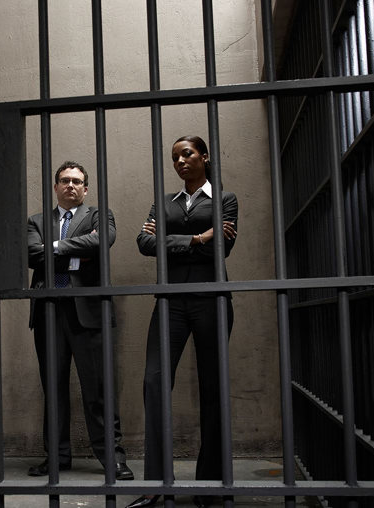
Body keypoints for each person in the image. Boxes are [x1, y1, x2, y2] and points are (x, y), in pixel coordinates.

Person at [126, 136, 238, 508]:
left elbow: (221, 246)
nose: (180, 161)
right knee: (154, 382)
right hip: (170, 300)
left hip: (212, 299)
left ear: (204, 156)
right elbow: (143, 243)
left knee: (213, 387)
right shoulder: (165, 202)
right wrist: (196, 238)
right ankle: (156, 484)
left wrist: (171, 240)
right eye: (175, 157)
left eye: (187, 153)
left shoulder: (224, 199)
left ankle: (211, 486)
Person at [26, 161, 133, 481]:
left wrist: (54, 248)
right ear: (55, 186)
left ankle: (112, 458)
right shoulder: (36, 220)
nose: (70, 185)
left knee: (98, 389)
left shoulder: (100, 215)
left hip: (87, 312)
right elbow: (33, 255)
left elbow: (103, 241)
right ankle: (57, 458)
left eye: (77, 181)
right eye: (64, 180)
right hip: (48, 312)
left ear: (85, 189)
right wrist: (76, 255)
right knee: (53, 389)